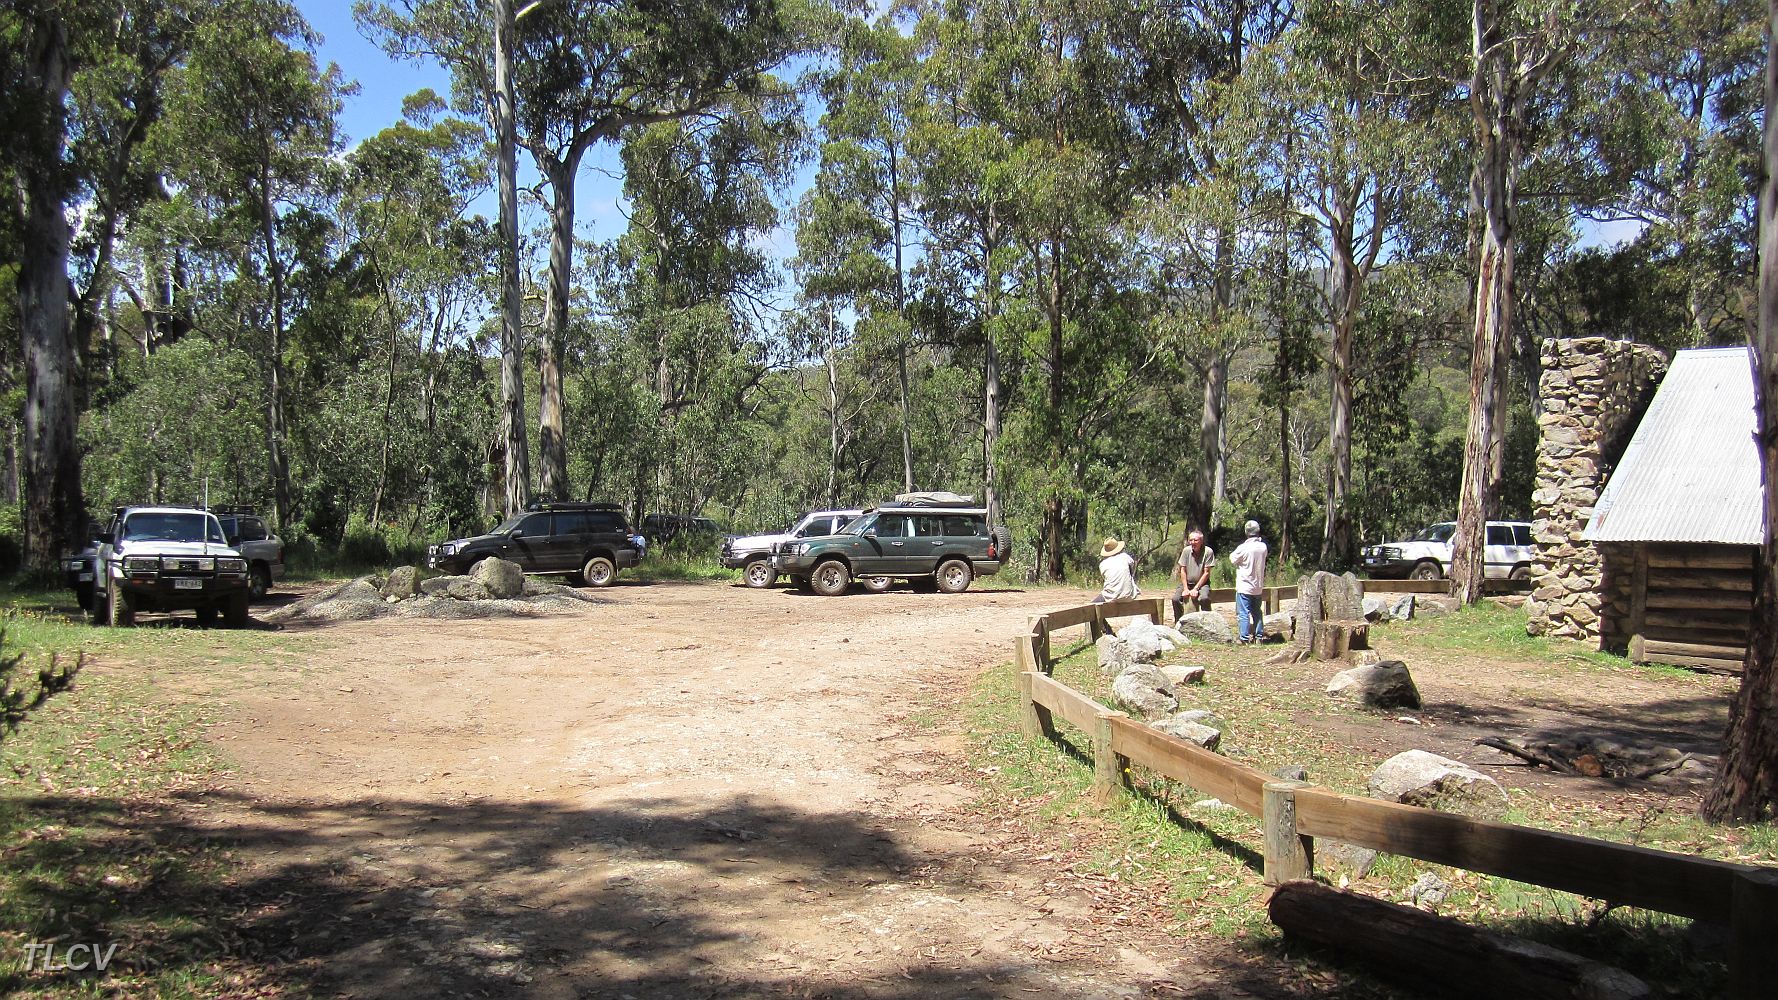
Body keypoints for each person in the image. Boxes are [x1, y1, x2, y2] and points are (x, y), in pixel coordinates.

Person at [1229, 519, 1268, 643]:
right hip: (1258, 586)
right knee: (1257, 612)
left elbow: (1233, 559)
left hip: (1244, 585)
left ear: (1246, 532)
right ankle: (1259, 637)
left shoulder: (1244, 547)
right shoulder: (1263, 547)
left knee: (1243, 613)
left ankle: (1244, 638)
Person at [1172, 529, 1215, 623]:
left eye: (1195, 540)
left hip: (1202, 584)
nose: (1192, 542)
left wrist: (1196, 589)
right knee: (1175, 599)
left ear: (1201, 541)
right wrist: (1186, 588)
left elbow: (1206, 573)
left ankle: (1208, 623)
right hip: (1187, 582)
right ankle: (1179, 623)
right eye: (1190, 540)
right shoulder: (1186, 551)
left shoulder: (1208, 552)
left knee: (1204, 598)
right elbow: (1182, 570)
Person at [1093, 537, 1140, 604]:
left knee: (1093, 603)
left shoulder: (1102, 564)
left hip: (1111, 597)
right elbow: (1132, 567)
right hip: (1130, 596)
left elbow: (1107, 578)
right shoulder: (1125, 557)